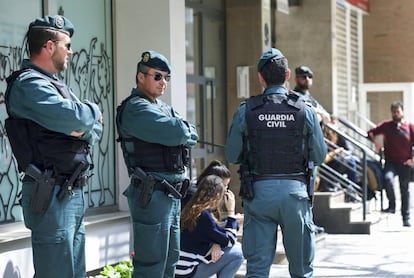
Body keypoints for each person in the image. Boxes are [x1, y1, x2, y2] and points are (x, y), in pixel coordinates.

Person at [4, 15, 103, 278]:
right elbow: (76, 119)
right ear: (49, 46)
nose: (70, 51)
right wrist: (91, 111)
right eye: (66, 45)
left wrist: (81, 123)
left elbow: (94, 130)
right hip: (51, 194)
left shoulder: (56, 86)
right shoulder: (29, 84)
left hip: (70, 192)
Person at [225, 48, 327, 278]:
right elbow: (319, 156)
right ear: (288, 75)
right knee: (301, 270)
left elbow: (232, 155)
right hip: (295, 196)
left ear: (260, 77)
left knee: (258, 270)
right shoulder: (305, 109)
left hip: (258, 195)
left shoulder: (246, 110)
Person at [116, 50, 199, 277]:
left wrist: (184, 131)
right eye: (157, 76)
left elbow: (190, 132)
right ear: (140, 77)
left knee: (170, 261)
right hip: (151, 194)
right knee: (151, 265)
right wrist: (183, 130)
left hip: (170, 195)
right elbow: (180, 131)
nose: (163, 82)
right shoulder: (136, 108)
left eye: (166, 78)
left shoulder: (162, 107)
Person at [175, 175, 244, 278]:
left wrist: (216, 243)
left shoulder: (192, 208)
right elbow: (229, 240)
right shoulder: (204, 215)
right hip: (187, 273)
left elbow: (214, 233)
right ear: (217, 195)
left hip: (178, 269)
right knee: (238, 253)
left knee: (233, 249)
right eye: (224, 188)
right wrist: (231, 212)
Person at [367, 101, 413, 227]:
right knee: (387, 179)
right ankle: (392, 205)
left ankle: (406, 217)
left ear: (402, 112)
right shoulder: (387, 125)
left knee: (405, 190)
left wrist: (412, 159)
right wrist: (376, 142)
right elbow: (371, 132)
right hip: (390, 162)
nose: (396, 114)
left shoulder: (409, 127)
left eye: (398, 111)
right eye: (394, 111)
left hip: (405, 163)